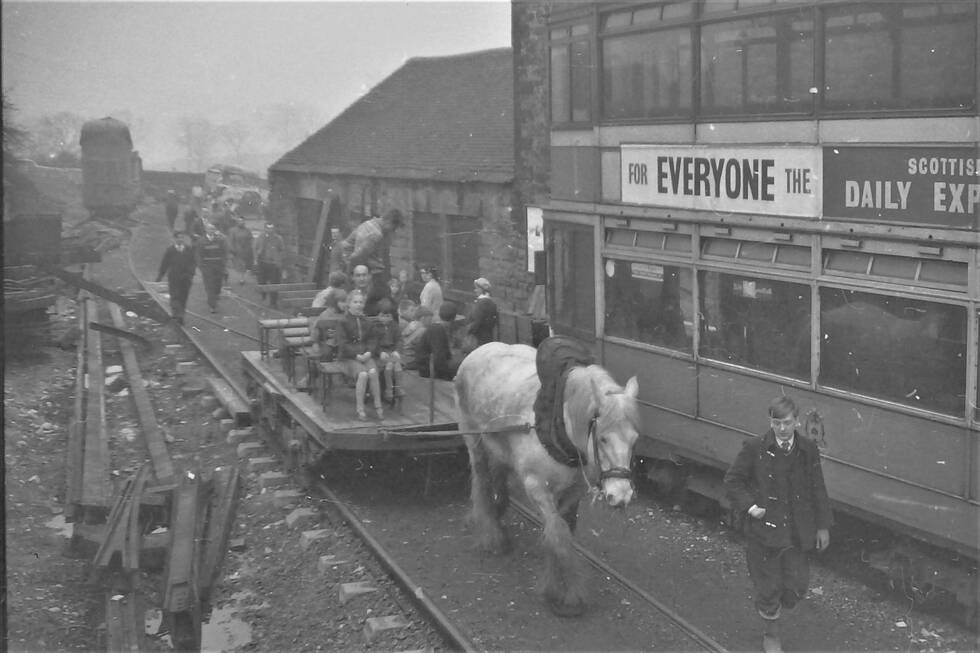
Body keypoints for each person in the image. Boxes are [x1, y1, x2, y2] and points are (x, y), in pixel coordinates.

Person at [724, 395, 832, 653]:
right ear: (769, 421)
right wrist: (751, 507)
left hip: (796, 531)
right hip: (765, 532)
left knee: (797, 585)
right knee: (769, 586)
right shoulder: (755, 448)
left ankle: (775, 608)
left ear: (796, 421)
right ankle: (771, 634)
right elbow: (733, 480)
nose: (782, 429)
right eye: (776, 423)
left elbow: (818, 488)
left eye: (786, 422)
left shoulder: (807, 449)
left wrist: (822, 526)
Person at [340, 208, 405, 306]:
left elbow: (346, 244)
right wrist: (351, 275)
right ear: (388, 221)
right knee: (383, 304)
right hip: (370, 275)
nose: (394, 231)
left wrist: (346, 264)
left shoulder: (368, 223)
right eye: (394, 228)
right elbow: (357, 256)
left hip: (357, 271)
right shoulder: (376, 234)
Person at [336, 289, 384, 421]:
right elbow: (342, 344)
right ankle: (360, 409)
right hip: (348, 358)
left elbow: (373, 339)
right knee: (363, 375)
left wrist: (369, 352)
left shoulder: (366, 321)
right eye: (355, 302)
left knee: (373, 372)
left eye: (361, 302)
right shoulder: (343, 322)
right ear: (349, 304)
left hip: (366, 356)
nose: (358, 305)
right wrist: (356, 356)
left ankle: (378, 406)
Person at [155, 231, 197, 325]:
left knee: (183, 297)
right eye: (178, 237)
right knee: (174, 296)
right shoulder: (170, 250)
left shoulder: (188, 249)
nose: (180, 239)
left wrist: (191, 274)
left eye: (182, 237)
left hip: (186, 278)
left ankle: (180, 314)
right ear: (174, 239)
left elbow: (193, 263)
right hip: (174, 277)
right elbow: (164, 264)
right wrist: (160, 276)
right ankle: (177, 314)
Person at [417, 301, 458, 381]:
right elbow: (438, 359)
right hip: (428, 369)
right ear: (454, 317)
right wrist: (450, 376)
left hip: (429, 365)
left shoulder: (438, 327)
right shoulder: (437, 329)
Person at [374, 298, 405, 402]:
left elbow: (399, 340)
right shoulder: (375, 327)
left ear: (391, 316)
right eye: (382, 315)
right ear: (378, 315)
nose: (385, 318)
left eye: (388, 316)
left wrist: (397, 350)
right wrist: (380, 352)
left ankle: (397, 388)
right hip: (381, 354)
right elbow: (373, 343)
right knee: (390, 364)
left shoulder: (394, 326)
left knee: (396, 364)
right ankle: (389, 389)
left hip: (392, 351)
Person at [195, 223, 228, 313]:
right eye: (210, 229)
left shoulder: (220, 240)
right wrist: (201, 267)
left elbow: (224, 253)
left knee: (218, 285)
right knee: (210, 286)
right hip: (207, 267)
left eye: (213, 229)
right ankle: (212, 306)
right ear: (206, 230)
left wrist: (223, 264)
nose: (211, 231)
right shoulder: (201, 241)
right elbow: (198, 255)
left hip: (218, 267)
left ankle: (215, 296)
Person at [309, 287, 347, 361]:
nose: (344, 304)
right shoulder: (325, 315)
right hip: (327, 341)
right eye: (342, 302)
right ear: (335, 302)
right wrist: (315, 342)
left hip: (342, 341)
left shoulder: (347, 314)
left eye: (346, 301)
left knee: (346, 352)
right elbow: (316, 329)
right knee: (327, 353)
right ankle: (324, 369)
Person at [254, 222, 286, 306]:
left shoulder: (278, 238)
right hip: (263, 263)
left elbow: (282, 250)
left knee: (274, 283)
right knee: (262, 281)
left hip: (274, 264)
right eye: (268, 228)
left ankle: (273, 302)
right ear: (265, 229)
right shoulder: (261, 237)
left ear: (274, 229)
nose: (269, 230)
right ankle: (263, 297)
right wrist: (256, 259)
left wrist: (278, 259)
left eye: (271, 228)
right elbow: (255, 248)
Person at [466, 277, 499, 348]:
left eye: (477, 288)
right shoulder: (491, 302)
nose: (475, 290)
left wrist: (469, 330)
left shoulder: (481, 303)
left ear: (482, 290)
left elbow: (476, 321)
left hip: (479, 338)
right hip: (488, 336)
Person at [227, 217, 254, 285]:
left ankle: (242, 278)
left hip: (246, 250)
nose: (241, 222)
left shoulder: (247, 230)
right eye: (239, 221)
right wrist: (232, 250)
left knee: (244, 265)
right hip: (237, 250)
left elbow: (251, 239)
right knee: (239, 265)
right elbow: (231, 241)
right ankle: (240, 278)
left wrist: (251, 248)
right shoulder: (233, 230)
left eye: (242, 221)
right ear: (237, 222)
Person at [399, 301, 425, 371]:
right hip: (409, 357)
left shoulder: (410, 323)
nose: (414, 313)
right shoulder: (404, 324)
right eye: (411, 310)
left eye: (414, 310)